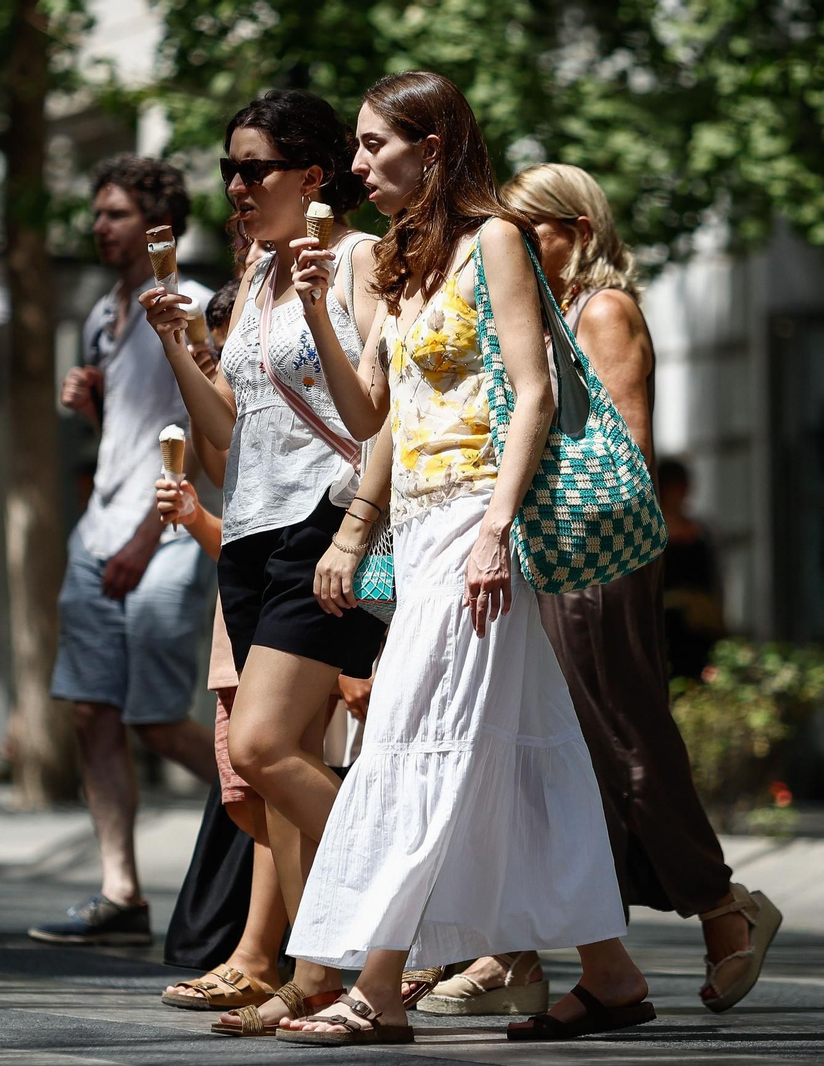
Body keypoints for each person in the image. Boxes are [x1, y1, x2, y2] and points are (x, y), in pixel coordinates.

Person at [275, 70, 650, 1046]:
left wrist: (495, 526)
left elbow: (530, 392)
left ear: (431, 146)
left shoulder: (495, 242)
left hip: (477, 522)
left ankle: (379, 987)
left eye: (371, 145)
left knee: (409, 729)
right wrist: (319, 306)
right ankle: (610, 975)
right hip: (424, 519)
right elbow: (372, 414)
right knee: (530, 758)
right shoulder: (397, 265)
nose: (356, 165)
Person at [403, 164, 778, 1018]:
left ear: (575, 229)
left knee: (624, 742)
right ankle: (569, 956)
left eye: (531, 229)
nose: (515, 243)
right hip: (547, 555)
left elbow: (628, 455)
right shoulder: (541, 315)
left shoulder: (602, 311)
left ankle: (724, 911)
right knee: (571, 755)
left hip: (595, 559)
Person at [140, 88, 385, 1037]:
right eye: (229, 170)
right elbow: (224, 443)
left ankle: (406, 908)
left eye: (256, 169)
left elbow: (377, 401)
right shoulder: (252, 281)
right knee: (283, 774)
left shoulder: (355, 260)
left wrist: (358, 526)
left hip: (324, 530)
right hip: (251, 536)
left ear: (314, 178)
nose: (236, 186)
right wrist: (177, 348)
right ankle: (312, 972)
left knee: (262, 750)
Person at [28, 156, 219, 947]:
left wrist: (151, 537)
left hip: (165, 533)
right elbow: (130, 436)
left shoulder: (196, 306)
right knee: (90, 710)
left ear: (156, 221)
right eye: (98, 214)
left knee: (157, 717)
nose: (99, 227)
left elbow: (206, 435)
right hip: (98, 530)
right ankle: (120, 893)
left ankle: (304, 802)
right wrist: (94, 404)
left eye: (114, 214)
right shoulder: (101, 313)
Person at [656, 456, 726, 680]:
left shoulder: (702, 531)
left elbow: (714, 580)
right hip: (664, 627)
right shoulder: (650, 533)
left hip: (699, 626)